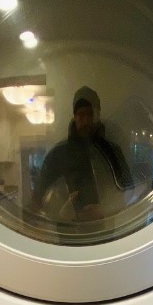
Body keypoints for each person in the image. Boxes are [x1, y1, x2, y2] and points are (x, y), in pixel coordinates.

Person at [33, 87, 134, 222]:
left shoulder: (112, 152)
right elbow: (39, 196)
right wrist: (62, 212)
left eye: (90, 114)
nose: (85, 120)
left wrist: (105, 210)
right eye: (81, 115)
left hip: (104, 229)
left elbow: (128, 190)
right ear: (74, 116)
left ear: (96, 115)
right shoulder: (58, 154)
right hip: (67, 232)